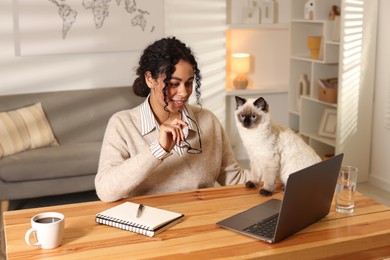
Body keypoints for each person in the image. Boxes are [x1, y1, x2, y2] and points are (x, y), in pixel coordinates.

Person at [95, 37, 253, 202]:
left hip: (201, 220)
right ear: (150, 79)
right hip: (148, 223)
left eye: (189, 83)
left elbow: (234, 179)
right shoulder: (123, 124)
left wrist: (277, 172)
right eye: (173, 84)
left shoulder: (208, 121)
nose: (184, 93)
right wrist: (158, 149)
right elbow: (106, 191)